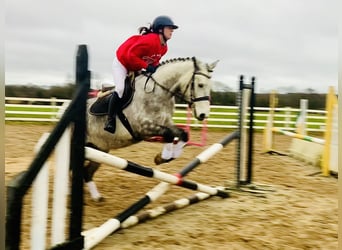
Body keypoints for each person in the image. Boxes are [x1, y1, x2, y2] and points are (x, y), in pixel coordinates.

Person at [104, 15, 178, 133]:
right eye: (169, 28)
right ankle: (110, 120)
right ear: (160, 29)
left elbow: (154, 61)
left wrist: (154, 68)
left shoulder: (164, 48)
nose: (172, 31)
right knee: (121, 89)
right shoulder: (149, 40)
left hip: (135, 65)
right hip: (122, 62)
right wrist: (146, 67)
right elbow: (130, 55)